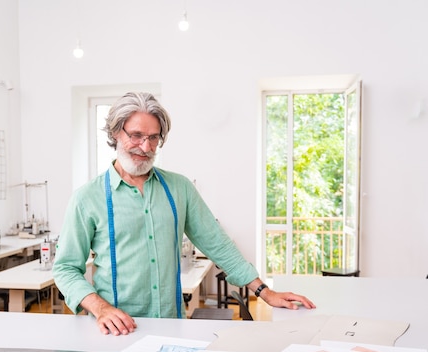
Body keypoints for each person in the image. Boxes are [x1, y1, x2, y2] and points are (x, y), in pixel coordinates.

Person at [52, 92, 315, 336]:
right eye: (136, 135)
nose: (145, 147)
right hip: (116, 331)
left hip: (171, 326)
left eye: (154, 137)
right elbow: (65, 268)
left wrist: (264, 292)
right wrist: (101, 308)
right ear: (115, 133)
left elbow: (218, 243)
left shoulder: (179, 188)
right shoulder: (87, 198)